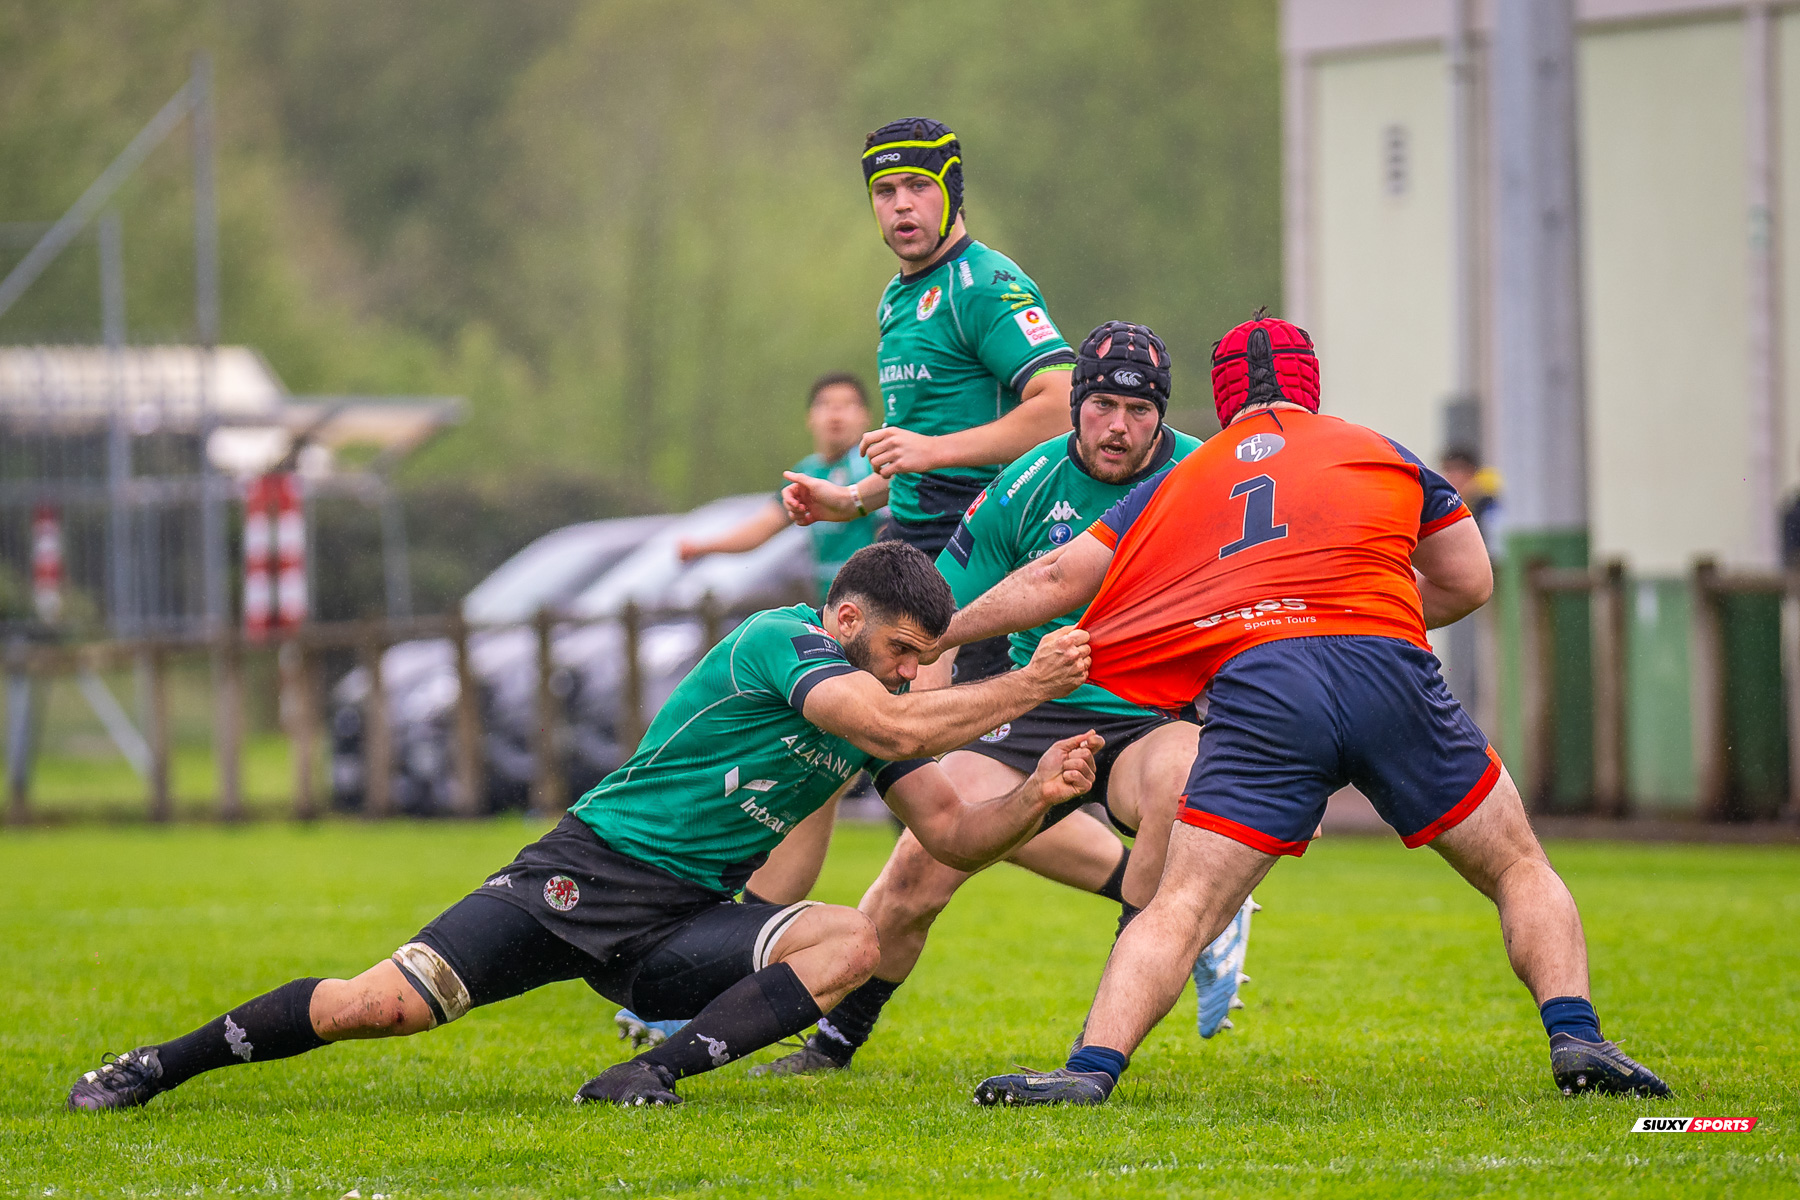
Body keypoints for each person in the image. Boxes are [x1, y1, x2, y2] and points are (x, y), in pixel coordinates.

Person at [67, 542, 1104, 1112]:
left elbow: (956, 837)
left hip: (678, 920)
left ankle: (647, 1074)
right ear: (844, 623)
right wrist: (1026, 681)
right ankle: (159, 1066)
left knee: (852, 938)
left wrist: (1038, 796)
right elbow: (883, 716)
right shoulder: (778, 644)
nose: (914, 672)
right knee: (376, 1007)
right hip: (585, 873)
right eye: (904, 650)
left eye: (926, 659)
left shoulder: (892, 706)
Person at [934, 312, 1671, 1106]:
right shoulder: (1380, 451)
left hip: (1267, 691)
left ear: (1220, 401)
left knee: (1181, 903)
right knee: (1518, 864)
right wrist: (1365, 611)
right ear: (1312, 387)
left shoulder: (1186, 476)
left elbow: (1053, 583)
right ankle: (1576, 1036)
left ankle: (1088, 1073)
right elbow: (1469, 580)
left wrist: (936, 628)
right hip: (1387, 670)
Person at [750, 322, 1255, 1079]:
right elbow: (941, 611)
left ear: (1163, 416)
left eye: (1141, 410)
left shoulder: (1204, 476)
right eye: (1104, 405)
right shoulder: (1027, 481)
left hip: (1156, 710)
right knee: (918, 869)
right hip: (1037, 703)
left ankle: (1102, 1045)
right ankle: (833, 1046)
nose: (1119, 426)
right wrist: (891, 687)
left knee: (1178, 798)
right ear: (1078, 403)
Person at [782, 115, 1079, 684]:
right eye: (885, 191)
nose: (901, 206)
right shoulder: (897, 299)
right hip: (907, 542)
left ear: (952, 194)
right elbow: (916, 448)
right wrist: (850, 499)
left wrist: (932, 450)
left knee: (911, 730)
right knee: (850, 712)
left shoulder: (986, 285)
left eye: (920, 187)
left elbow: (1063, 404)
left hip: (979, 540)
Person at [676, 372, 885, 595]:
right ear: (809, 418)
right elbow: (763, 526)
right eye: (826, 404)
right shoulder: (805, 473)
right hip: (830, 600)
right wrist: (704, 546)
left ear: (866, 417)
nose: (835, 414)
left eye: (847, 405)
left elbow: (889, 536)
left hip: (870, 599)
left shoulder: (875, 468)